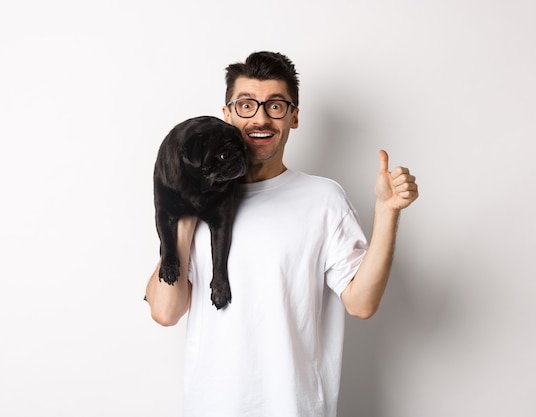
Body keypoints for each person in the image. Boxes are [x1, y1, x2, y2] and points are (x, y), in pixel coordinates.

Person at [145, 51, 419, 417]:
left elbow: (361, 303)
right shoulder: (200, 199)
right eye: (246, 105)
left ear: (294, 116)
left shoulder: (322, 199)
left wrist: (386, 213)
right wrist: (185, 206)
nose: (260, 118)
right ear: (226, 115)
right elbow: (165, 310)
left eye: (275, 106)